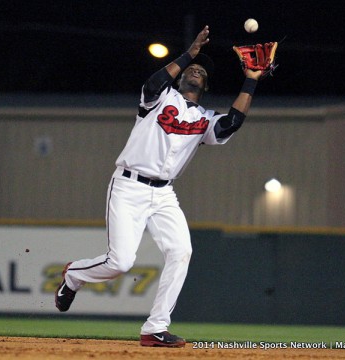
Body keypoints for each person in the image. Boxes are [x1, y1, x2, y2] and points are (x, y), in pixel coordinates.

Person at [55, 25, 263, 347]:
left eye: (200, 71)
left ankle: (155, 328)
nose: (195, 70)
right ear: (180, 77)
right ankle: (73, 276)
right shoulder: (158, 98)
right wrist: (188, 54)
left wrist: (251, 78)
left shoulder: (205, 119)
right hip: (128, 186)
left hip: (164, 193)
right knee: (120, 262)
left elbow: (233, 122)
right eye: (191, 68)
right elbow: (153, 83)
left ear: (205, 84)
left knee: (182, 251)